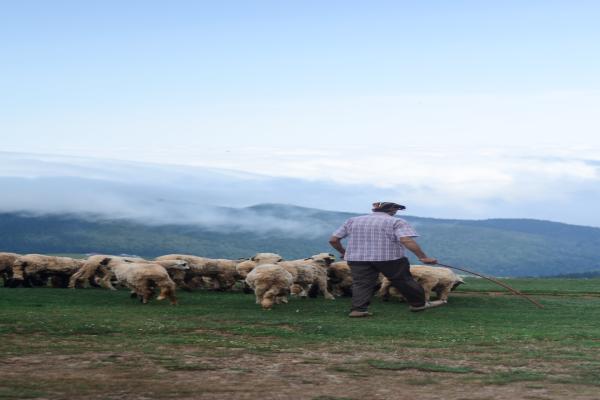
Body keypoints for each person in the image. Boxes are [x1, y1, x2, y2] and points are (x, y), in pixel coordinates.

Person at [329, 202, 445, 317]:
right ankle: (418, 304)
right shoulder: (396, 221)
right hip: (390, 258)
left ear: (375, 210)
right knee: (403, 280)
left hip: (357, 258)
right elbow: (406, 240)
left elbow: (334, 240)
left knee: (362, 284)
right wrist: (423, 257)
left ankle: (358, 310)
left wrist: (344, 252)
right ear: (392, 210)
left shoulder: (352, 220)